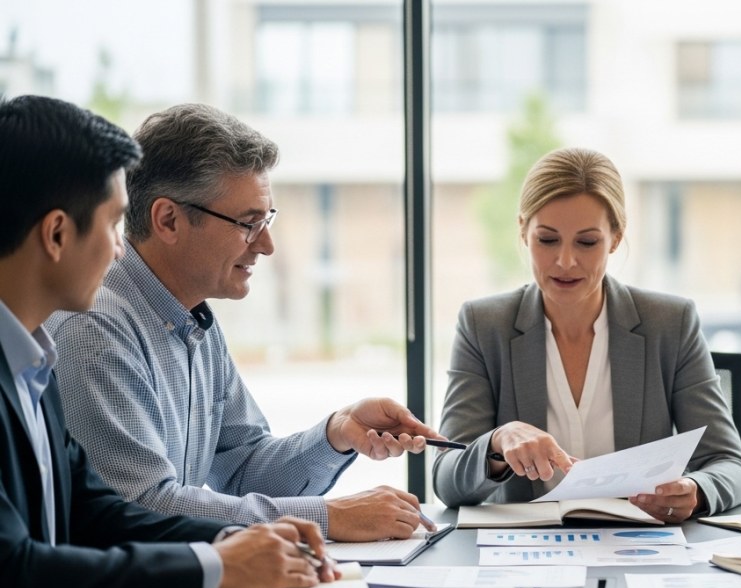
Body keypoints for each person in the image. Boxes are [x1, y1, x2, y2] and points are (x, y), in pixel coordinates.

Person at [0, 95, 338, 588]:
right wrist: (216, 567)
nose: (118, 251)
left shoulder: (30, 361)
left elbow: (94, 509)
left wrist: (237, 540)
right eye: (112, 225)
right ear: (57, 234)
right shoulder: (86, 330)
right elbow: (14, 575)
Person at [46, 103, 443, 542]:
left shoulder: (193, 320)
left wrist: (336, 433)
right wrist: (329, 517)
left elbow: (243, 469)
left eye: (266, 220)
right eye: (248, 223)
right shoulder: (96, 330)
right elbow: (144, 507)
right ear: (168, 220)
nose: (267, 245)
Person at [432, 148, 741, 521]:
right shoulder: (484, 326)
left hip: (639, 546)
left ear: (615, 238)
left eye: (587, 242)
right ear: (523, 230)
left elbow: (730, 465)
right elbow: (445, 478)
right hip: (526, 552)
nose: (566, 261)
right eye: (547, 240)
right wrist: (497, 445)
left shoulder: (670, 323)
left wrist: (697, 491)